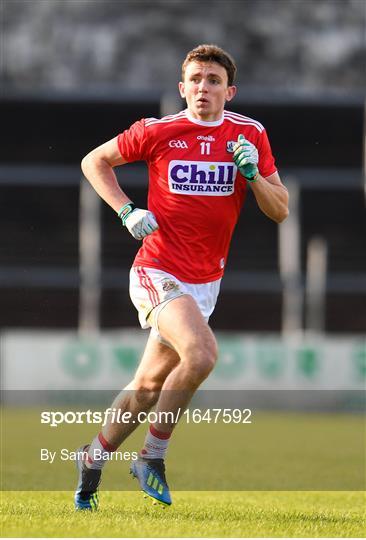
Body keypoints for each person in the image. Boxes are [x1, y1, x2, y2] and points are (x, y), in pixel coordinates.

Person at [74, 43, 289, 510]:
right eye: (194, 80)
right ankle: (152, 455)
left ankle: (89, 459)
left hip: (205, 282)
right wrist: (126, 210)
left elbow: (280, 210)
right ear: (181, 88)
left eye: (213, 81)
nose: (202, 88)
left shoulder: (249, 135)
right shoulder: (158, 130)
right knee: (203, 352)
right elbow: (95, 161)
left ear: (229, 91)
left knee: (147, 389)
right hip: (157, 269)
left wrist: (251, 174)